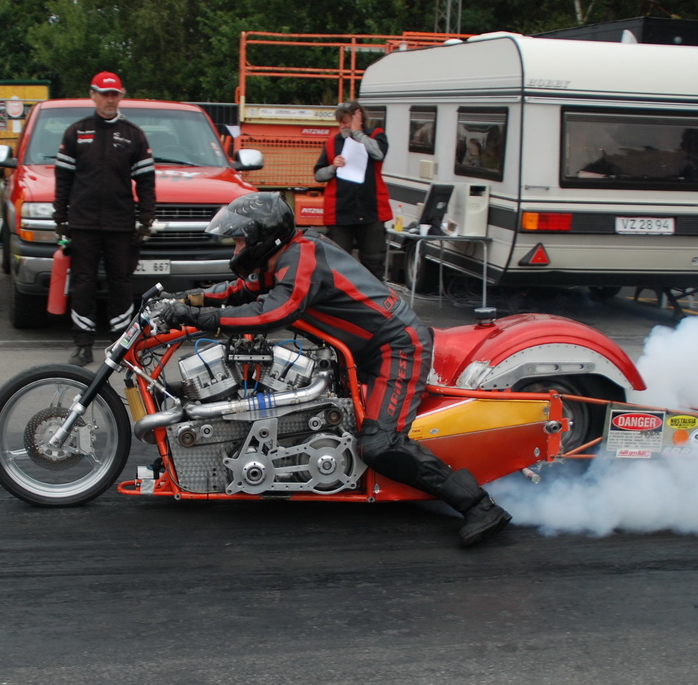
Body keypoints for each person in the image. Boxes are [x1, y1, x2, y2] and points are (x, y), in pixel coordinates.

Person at [149, 192, 512, 547]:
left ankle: (479, 506)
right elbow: (242, 289)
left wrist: (197, 317)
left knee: (380, 445)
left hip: (396, 347)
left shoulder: (301, 258)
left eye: (241, 241)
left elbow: (272, 313)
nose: (237, 249)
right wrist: (185, 300)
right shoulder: (281, 258)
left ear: (262, 238)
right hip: (361, 351)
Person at [53, 71, 156, 367]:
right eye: (104, 94)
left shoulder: (133, 134)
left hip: (120, 223)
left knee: (120, 283)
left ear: (121, 97)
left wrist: (146, 218)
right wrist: (60, 218)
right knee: (82, 283)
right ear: (93, 95)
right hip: (82, 223)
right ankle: (82, 345)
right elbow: (63, 179)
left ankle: (121, 346)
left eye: (114, 95)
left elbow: (146, 180)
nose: (109, 100)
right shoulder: (76, 132)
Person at [314, 100, 391, 279]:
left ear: (358, 119)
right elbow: (318, 174)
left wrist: (357, 133)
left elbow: (378, 154)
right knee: (338, 264)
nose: (342, 126)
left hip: (371, 210)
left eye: (346, 122)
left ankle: (374, 294)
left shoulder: (376, 136)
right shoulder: (332, 143)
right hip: (340, 212)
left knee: (373, 261)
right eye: (340, 122)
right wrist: (333, 167)